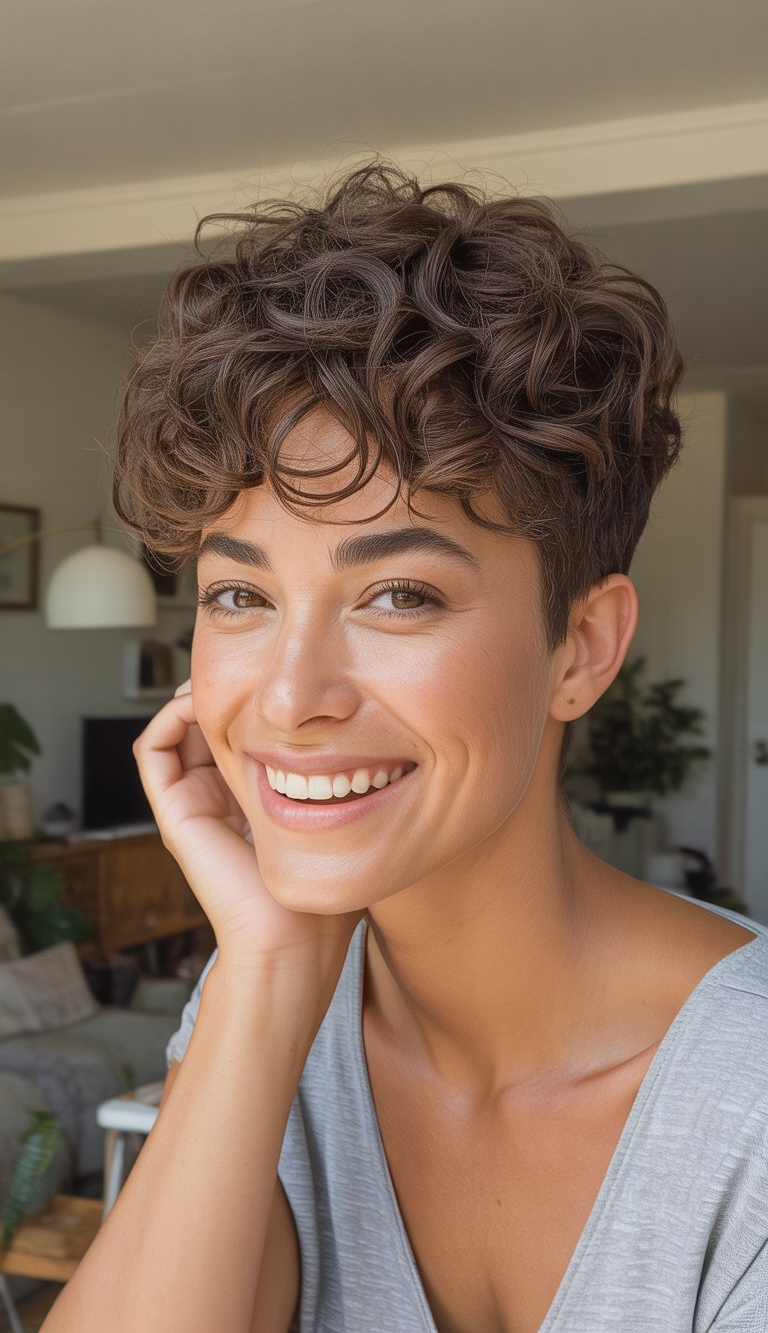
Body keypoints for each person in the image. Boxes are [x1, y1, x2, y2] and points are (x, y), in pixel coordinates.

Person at [43, 164, 768, 1333]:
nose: (290, 696)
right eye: (240, 597)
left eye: (400, 598)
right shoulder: (259, 1015)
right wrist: (269, 972)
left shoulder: (749, 1112)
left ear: (582, 647)